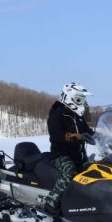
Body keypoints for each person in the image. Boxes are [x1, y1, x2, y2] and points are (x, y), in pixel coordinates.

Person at [43, 82, 93, 215]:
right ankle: (51, 202)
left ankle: (91, 204)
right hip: (60, 155)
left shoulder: (78, 117)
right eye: (78, 99)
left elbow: (88, 132)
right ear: (68, 97)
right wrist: (74, 136)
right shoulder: (57, 115)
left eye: (82, 99)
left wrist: (103, 136)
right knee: (69, 172)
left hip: (79, 155)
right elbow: (56, 135)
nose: (81, 102)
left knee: (95, 170)